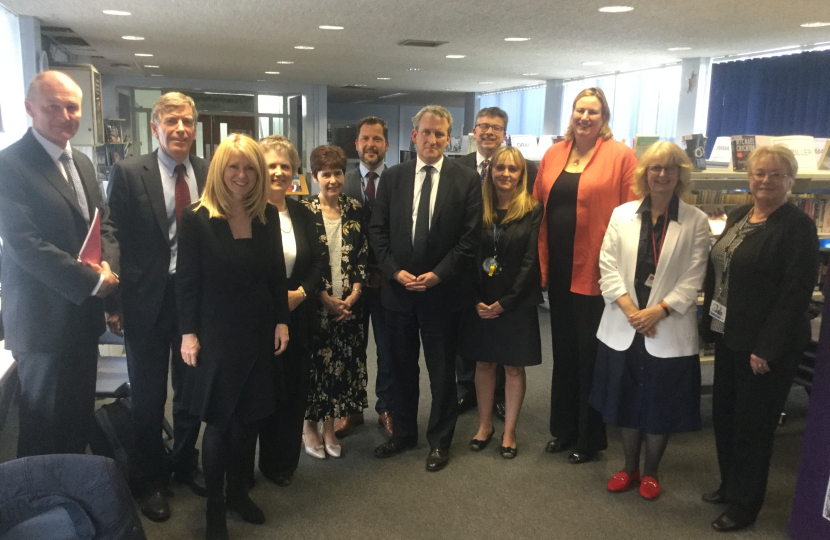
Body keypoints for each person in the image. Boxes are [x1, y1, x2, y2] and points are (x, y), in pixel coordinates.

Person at [0, 70, 119, 458]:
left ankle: (71, 500)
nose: (65, 116)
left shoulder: (82, 163)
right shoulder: (10, 165)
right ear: (29, 108)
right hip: (42, 324)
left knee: (75, 419)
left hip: (82, 318)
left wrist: (108, 267)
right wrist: (91, 281)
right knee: (42, 427)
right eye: (54, 107)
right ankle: (37, 508)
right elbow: (25, 245)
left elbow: (105, 225)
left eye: (72, 107)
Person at [176, 133, 290, 540]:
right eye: (234, 167)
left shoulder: (267, 215)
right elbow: (187, 282)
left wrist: (282, 320)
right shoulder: (196, 218)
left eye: (249, 168)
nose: (242, 175)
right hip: (216, 336)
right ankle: (215, 509)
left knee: (250, 421)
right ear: (220, 170)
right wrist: (188, 334)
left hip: (259, 332)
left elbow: (277, 275)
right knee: (221, 424)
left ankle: (240, 493)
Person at [699, 145, 818, 532]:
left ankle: (745, 504)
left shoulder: (798, 226)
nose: (765, 180)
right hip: (730, 334)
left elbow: (794, 294)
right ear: (749, 178)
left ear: (790, 181)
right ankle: (730, 484)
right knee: (726, 417)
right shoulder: (738, 214)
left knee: (753, 426)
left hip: (765, 347)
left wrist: (767, 347)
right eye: (759, 173)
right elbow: (718, 272)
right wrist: (709, 325)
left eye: (776, 174)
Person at [107, 92, 208, 521]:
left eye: (187, 121)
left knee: (192, 392)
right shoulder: (130, 172)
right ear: (155, 126)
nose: (181, 129)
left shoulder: (207, 170)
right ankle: (148, 480)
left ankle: (184, 464)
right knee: (148, 398)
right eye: (172, 121)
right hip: (147, 300)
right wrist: (113, 302)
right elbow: (114, 236)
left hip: (196, 303)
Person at [589, 142, 709, 499]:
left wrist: (659, 310)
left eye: (670, 168)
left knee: (660, 404)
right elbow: (607, 266)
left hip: (668, 327)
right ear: (644, 174)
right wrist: (631, 310)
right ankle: (629, 467)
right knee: (626, 400)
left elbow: (694, 276)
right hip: (623, 325)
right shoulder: (621, 214)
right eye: (655, 168)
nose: (662, 174)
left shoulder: (696, 221)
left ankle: (652, 471)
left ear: (680, 175)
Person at [369, 105, 481, 472]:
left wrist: (437, 275)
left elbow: (469, 239)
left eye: (439, 134)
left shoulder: (465, 179)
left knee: (441, 371)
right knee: (400, 368)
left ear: (449, 140)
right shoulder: (394, 177)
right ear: (414, 135)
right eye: (426, 132)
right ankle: (403, 433)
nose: (432, 139)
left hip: (443, 294)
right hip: (398, 292)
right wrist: (394, 271)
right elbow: (378, 231)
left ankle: (440, 440)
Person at [534, 87, 637, 464]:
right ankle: (562, 430)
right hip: (558, 269)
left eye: (593, 111)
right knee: (562, 353)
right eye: (580, 110)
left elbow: (632, 215)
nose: (585, 117)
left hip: (596, 272)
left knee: (589, 356)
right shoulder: (554, 153)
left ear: (604, 117)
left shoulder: (620, 156)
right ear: (572, 114)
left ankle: (588, 438)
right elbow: (537, 206)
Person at [456, 106, 539, 419]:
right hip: (474, 275)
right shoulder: (459, 167)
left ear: (505, 134)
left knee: (508, 353)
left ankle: (502, 398)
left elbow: (530, 234)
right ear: (474, 132)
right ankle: (468, 391)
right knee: (473, 350)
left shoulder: (528, 169)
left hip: (511, 275)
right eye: (482, 126)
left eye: (495, 127)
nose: (488, 132)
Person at [462, 146, 543, 459]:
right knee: (483, 363)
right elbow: (469, 255)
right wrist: (477, 299)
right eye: (500, 168)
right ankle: (485, 426)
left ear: (521, 174)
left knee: (512, 367)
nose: (506, 174)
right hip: (481, 300)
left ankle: (508, 431)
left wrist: (505, 302)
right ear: (490, 171)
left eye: (513, 169)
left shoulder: (533, 208)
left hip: (516, 302)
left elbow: (530, 260)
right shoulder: (476, 208)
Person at [253, 135, 325, 484]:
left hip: (299, 317)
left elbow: (317, 263)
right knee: (259, 394)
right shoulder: (246, 213)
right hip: (259, 320)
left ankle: (281, 464)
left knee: (293, 393)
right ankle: (243, 469)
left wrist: (302, 292)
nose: (279, 172)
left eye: (286, 166)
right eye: (271, 166)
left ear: (295, 172)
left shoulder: (302, 211)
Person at [301, 145, 368, 459]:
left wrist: (353, 294)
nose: (332, 180)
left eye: (337, 173)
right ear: (315, 177)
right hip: (315, 305)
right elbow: (303, 261)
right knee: (313, 367)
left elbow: (361, 254)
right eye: (325, 174)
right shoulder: (304, 210)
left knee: (337, 369)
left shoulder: (354, 207)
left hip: (347, 307)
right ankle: (308, 427)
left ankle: (329, 427)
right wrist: (323, 297)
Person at [338, 116, 395, 437]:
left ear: (386, 144)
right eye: (365, 139)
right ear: (356, 144)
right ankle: (351, 409)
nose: (371, 145)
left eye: (377, 139)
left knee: (388, 349)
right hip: (351, 286)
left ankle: (386, 407)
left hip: (388, 282)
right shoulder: (340, 182)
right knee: (351, 348)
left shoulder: (399, 181)